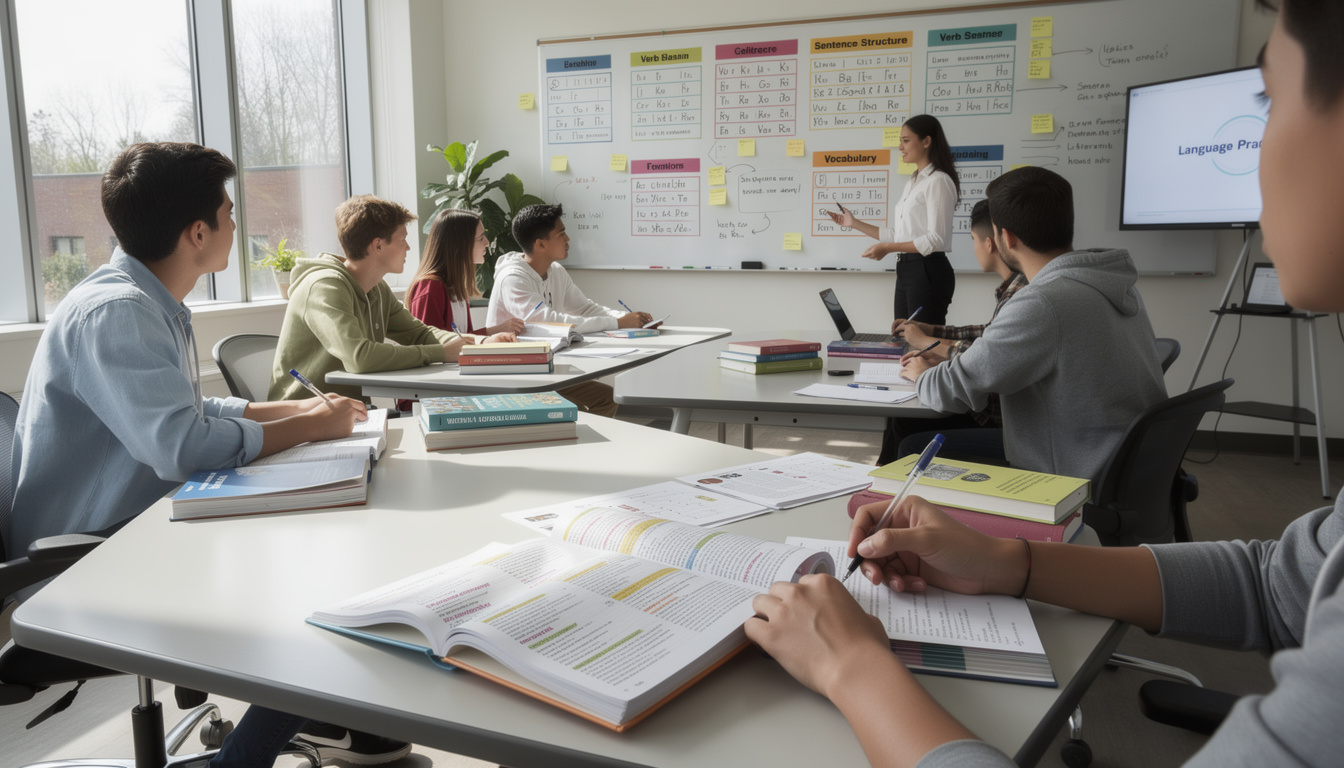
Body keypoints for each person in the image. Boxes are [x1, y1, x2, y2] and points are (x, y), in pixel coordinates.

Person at [746, 2, 1344, 765]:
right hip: (1101, 463)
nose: (1253, 156)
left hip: (1069, 474)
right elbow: (1276, 581)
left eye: (1269, 104)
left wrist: (851, 665)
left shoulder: (1051, 297)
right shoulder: (1099, 283)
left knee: (920, 432)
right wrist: (1014, 564)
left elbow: (958, 386)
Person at [3, 142, 404, 767]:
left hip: (139, 533)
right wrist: (306, 428)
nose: (236, 223)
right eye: (228, 211)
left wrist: (304, 414)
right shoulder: (119, 313)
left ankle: (325, 719)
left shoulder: (145, 300)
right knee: (326, 597)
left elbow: (193, 415)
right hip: (89, 562)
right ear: (198, 233)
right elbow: (183, 446)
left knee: (330, 559)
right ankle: (243, 758)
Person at [898, 166, 1167, 483]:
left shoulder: (1043, 303)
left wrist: (923, 375)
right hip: (1120, 463)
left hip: (1070, 476)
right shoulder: (1110, 283)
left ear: (1006, 239)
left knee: (911, 446)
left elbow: (954, 390)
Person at [269, 195, 515, 403]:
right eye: (402, 239)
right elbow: (360, 358)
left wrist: (479, 343)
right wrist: (442, 352)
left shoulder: (376, 288)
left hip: (349, 414)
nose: (408, 248)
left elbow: (419, 333)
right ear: (378, 246)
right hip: (304, 418)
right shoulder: (324, 286)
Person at [874, 200, 1026, 465]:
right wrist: (932, 332)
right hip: (995, 406)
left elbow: (987, 359)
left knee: (909, 428)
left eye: (972, 239)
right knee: (904, 418)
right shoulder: (1015, 287)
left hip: (1000, 419)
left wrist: (927, 344)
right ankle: (883, 483)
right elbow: (987, 335)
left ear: (988, 244)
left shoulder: (1023, 294)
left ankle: (891, 491)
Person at [486, 203, 652, 417]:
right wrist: (619, 324)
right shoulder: (512, 278)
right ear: (540, 244)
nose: (568, 239)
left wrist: (627, 318)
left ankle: (586, 447)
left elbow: (584, 307)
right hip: (514, 374)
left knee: (607, 399)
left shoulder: (555, 270)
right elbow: (546, 320)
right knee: (575, 408)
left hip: (542, 367)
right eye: (561, 233)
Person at [823, 114, 960, 325]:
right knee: (901, 338)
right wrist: (854, 223)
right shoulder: (913, 181)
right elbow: (899, 235)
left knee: (920, 344)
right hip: (906, 269)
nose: (900, 147)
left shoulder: (938, 181)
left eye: (906, 140)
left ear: (926, 141)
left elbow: (936, 239)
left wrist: (888, 247)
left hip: (927, 270)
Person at [406, 208, 525, 338]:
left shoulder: (456, 286)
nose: (487, 242)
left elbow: (463, 340)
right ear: (459, 246)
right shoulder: (430, 288)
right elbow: (431, 346)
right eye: (480, 238)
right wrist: (493, 332)